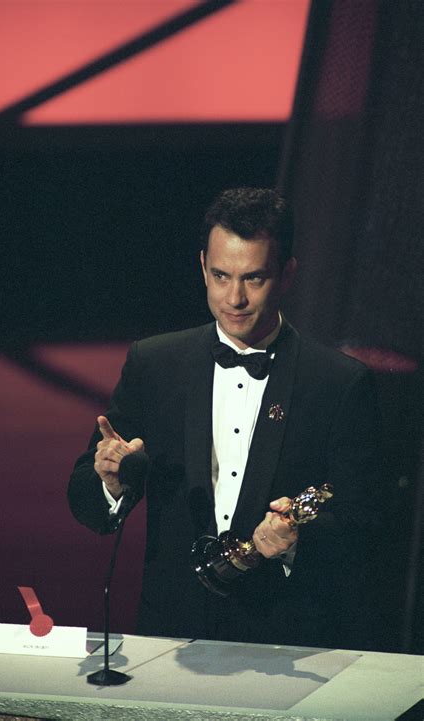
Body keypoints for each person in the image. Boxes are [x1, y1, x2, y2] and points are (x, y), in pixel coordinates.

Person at [68, 188, 382, 649]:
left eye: (253, 278)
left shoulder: (338, 383)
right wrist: (110, 481)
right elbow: (85, 498)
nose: (234, 298)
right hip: (170, 636)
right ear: (202, 267)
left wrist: (294, 541)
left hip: (286, 639)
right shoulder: (155, 364)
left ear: (288, 274)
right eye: (221, 276)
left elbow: (368, 523)